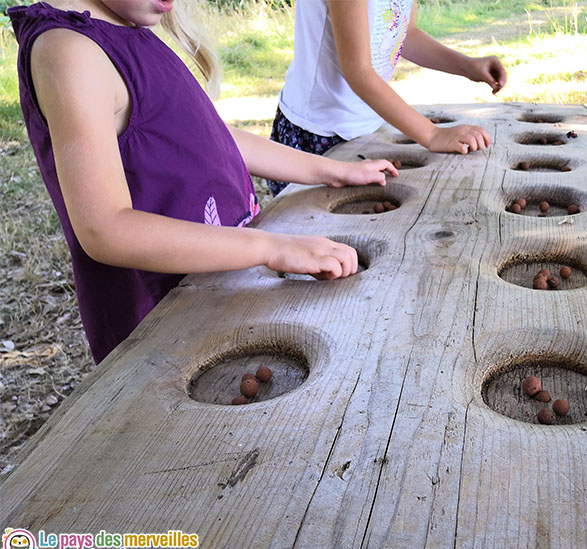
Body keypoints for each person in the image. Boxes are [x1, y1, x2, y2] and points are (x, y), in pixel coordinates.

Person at [8, 0, 398, 363]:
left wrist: (328, 169)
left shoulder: (125, 24)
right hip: (166, 325)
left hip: (218, 291)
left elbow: (209, 136)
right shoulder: (71, 51)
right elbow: (104, 228)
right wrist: (269, 246)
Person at [268, 0, 508, 195]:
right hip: (315, 135)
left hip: (365, 128)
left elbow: (406, 35)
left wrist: (467, 66)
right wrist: (433, 134)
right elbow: (359, 72)